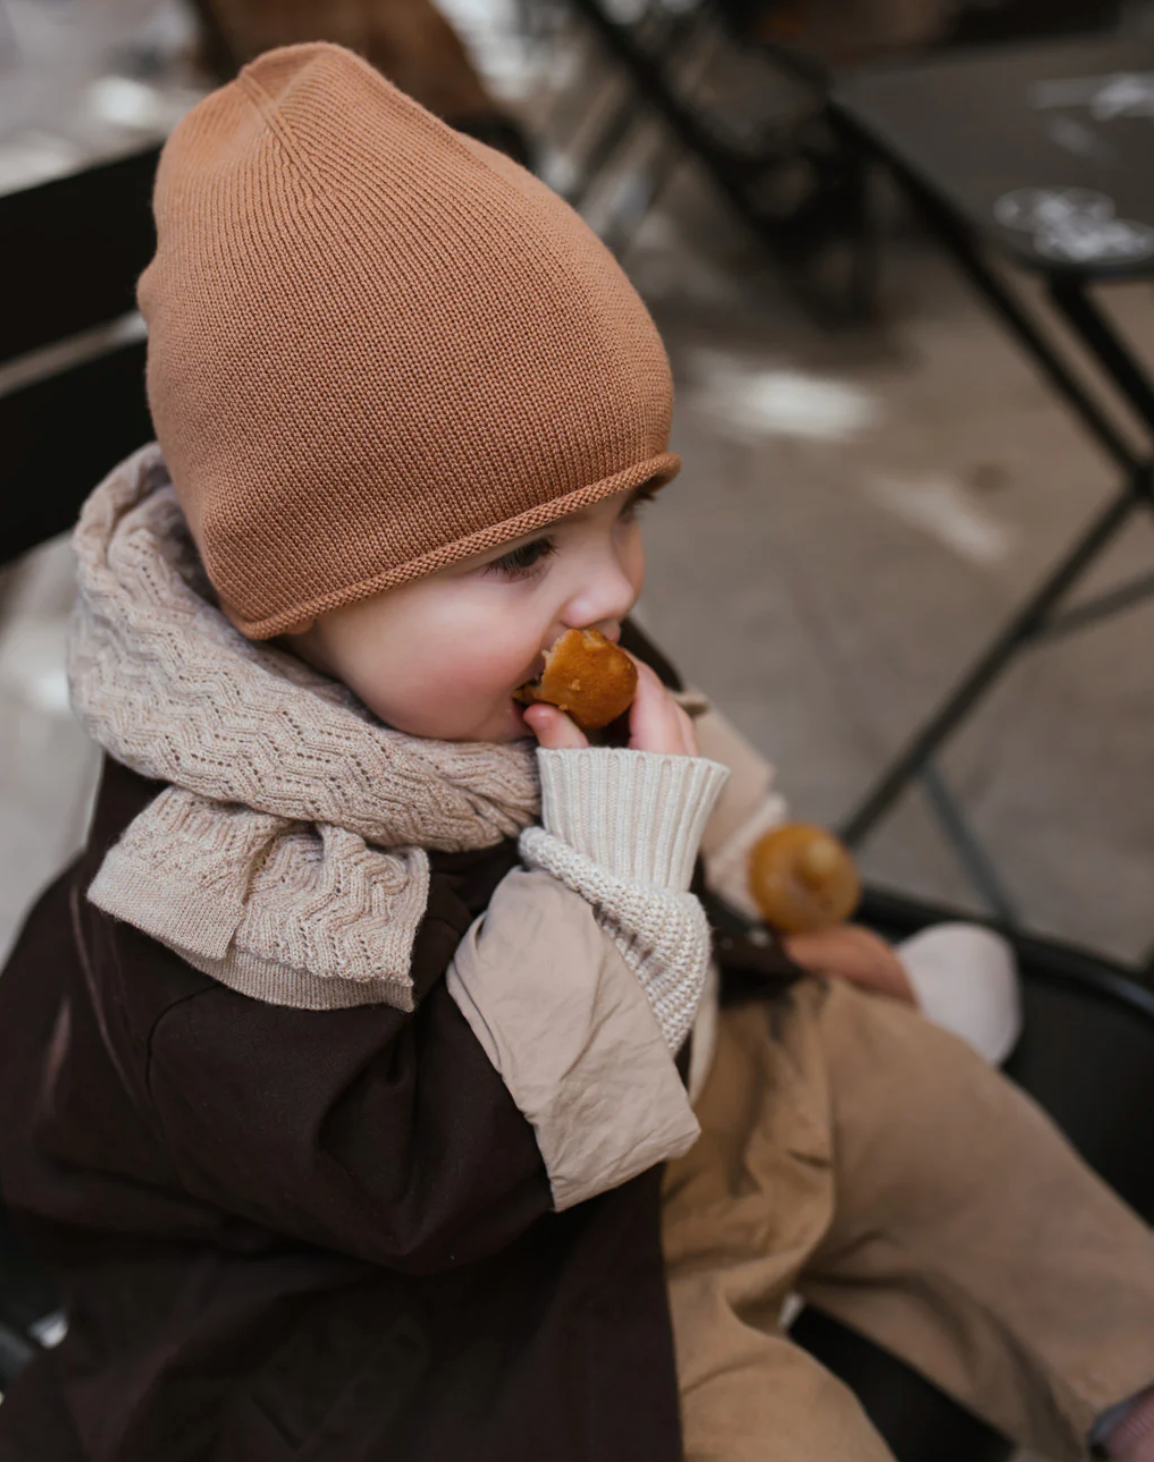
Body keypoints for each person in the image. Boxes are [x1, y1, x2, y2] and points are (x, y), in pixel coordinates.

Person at [0, 42, 1151, 1462]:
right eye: (529, 549)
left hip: (686, 1085)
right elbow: (422, 1183)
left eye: (627, 509)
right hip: (489, 1287)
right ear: (295, 602)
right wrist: (611, 876)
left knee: (947, 1126)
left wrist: (762, 912)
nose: (608, 588)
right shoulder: (225, 898)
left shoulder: (496, 660)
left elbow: (677, 751)